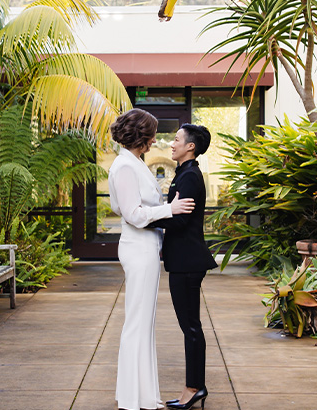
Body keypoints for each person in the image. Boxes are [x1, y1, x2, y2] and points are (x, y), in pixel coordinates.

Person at [108, 109, 195, 410]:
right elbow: (133, 215)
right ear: (140, 136)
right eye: (152, 134)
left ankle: (143, 397)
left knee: (144, 324)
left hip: (145, 247)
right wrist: (170, 209)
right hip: (138, 248)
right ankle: (132, 400)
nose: (156, 140)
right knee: (137, 323)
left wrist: (165, 210)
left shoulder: (132, 163)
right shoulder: (125, 167)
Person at [148, 124, 216, 410]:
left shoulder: (189, 177)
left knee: (191, 327)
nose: (171, 144)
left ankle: (194, 388)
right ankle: (195, 386)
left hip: (187, 262)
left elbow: (179, 220)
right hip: (184, 261)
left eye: (176, 139)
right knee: (190, 326)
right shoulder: (185, 174)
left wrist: (146, 218)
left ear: (190, 146)